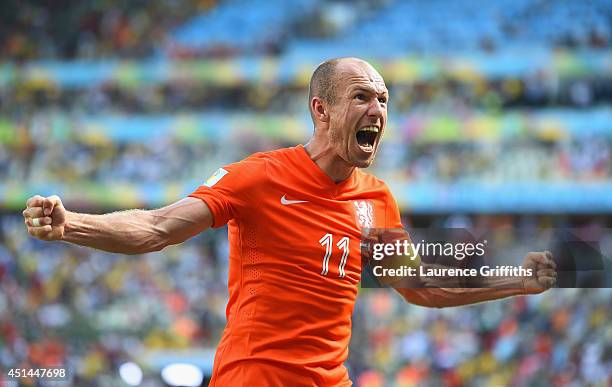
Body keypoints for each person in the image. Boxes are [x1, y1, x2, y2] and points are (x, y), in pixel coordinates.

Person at [23, 57, 556, 386]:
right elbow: (158, 228)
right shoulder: (258, 177)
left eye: (384, 100)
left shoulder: (376, 199)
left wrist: (518, 281)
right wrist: (71, 225)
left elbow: (420, 289)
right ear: (321, 110)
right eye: (363, 97)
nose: (378, 110)